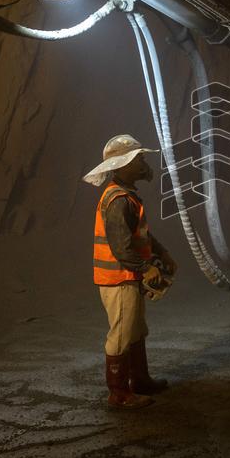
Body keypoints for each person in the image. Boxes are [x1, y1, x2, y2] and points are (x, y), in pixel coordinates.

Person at [83, 134, 178, 409]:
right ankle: (119, 393)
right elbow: (121, 247)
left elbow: (139, 235)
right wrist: (146, 268)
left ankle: (140, 381)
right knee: (122, 334)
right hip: (119, 279)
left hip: (128, 277)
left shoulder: (127, 197)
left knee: (135, 330)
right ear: (122, 165)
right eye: (138, 159)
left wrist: (162, 253)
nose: (143, 163)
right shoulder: (118, 200)